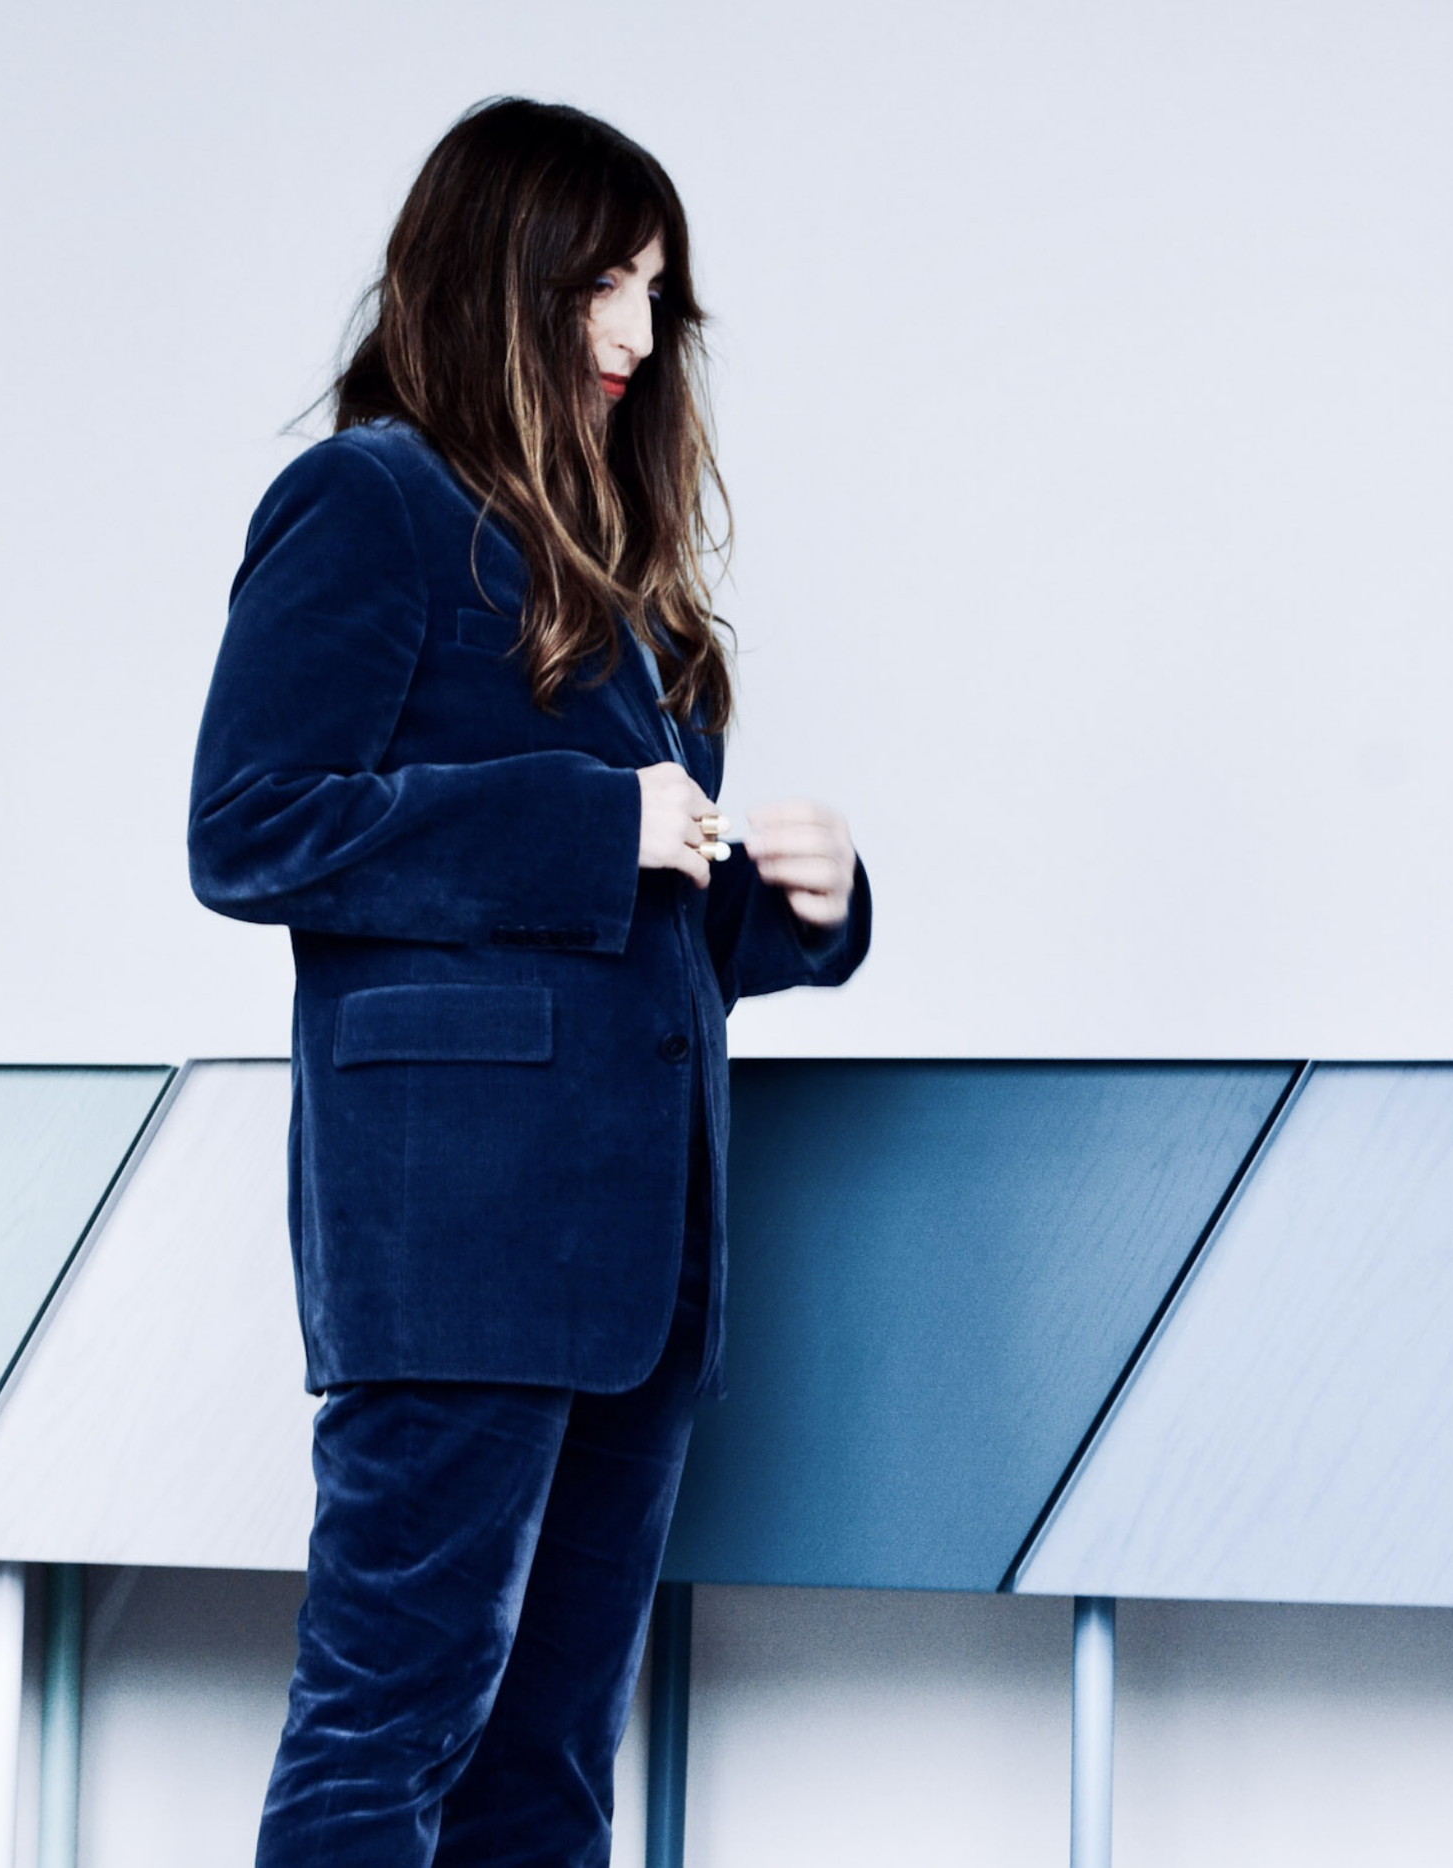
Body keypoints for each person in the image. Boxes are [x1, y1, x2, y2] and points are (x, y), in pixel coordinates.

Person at [188, 96, 870, 1868]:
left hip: (640, 1260)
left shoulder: (635, 594)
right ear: (504, 280)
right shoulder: (366, 505)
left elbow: (647, 934)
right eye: (604, 287)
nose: (642, 336)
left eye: (660, 291)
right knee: (387, 1733)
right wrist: (591, 826)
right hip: (457, 1252)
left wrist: (805, 908)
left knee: (550, 1771)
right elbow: (252, 828)